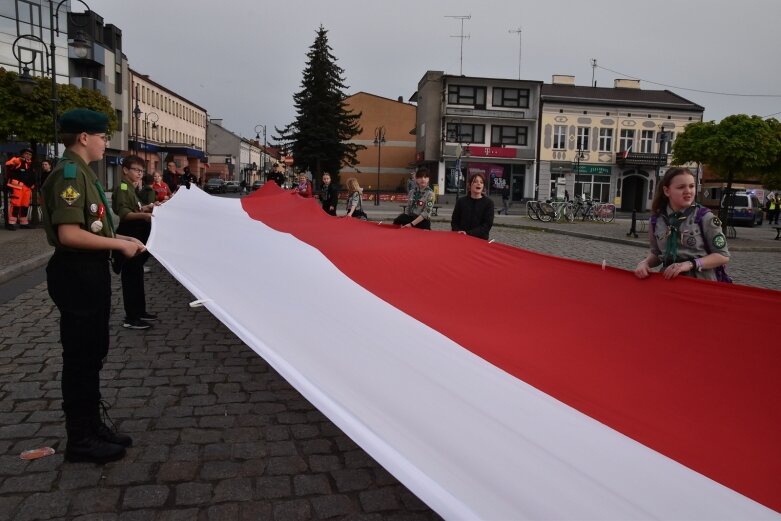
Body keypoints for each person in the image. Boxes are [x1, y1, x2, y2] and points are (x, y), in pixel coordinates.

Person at [41, 108, 144, 463]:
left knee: (93, 350)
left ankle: (91, 424)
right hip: (77, 273)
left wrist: (121, 240)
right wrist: (120, 244)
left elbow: (95, 226)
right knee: (81, 356)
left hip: (90, 273)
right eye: (102, 136)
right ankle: (80, 438)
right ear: (84, 137)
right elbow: (70, 234)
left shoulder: (83, 172)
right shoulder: (70, 174)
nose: (105, 143)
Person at [634, 167, 729, 282]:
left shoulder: (705, 217)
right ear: (666, 191)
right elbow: (657, 253)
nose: (688, 191)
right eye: (681, 187)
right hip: (668, 282)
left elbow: (722, 256)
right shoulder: (656, 220)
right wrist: (644, 263)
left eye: (691, 186)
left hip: (700, 283)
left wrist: (691, 264)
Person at [112, 155, 157, 329]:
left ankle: (139, 311)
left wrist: (149, 207)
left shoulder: (131, 188)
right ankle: (131, 317)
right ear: (125, 170)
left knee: (137, 275)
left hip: (136, 232)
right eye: (136, 170)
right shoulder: (123, 187)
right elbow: (125, 214)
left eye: (141, 171)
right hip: (129, 232)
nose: (140, 174)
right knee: (131, 276)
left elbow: (135, 208)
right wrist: (146, 215)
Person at [451, 173, 495, 240]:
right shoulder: (461, 201)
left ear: (483, 186)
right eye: (475, 181)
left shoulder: (489, 203)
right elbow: (454, 221)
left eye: (481, 182)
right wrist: (458, 231)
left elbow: (487, 225)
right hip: (461, 238)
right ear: (469, 185)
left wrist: (468, 233)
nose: (479, 184)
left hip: (480, 240)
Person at [4, 148, 35, 229]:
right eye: (26, 154)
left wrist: (33, 184)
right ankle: (11, 223)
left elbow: (32, 175)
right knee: (15, 204)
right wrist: (17, 160)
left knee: (25, 205)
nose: (28, 155)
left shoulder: (30, 164)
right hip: (17, 187)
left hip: (27, 188)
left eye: (30, 154)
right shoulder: (18, 161)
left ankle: (23, 223)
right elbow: (8, 164)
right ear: (22, 154)